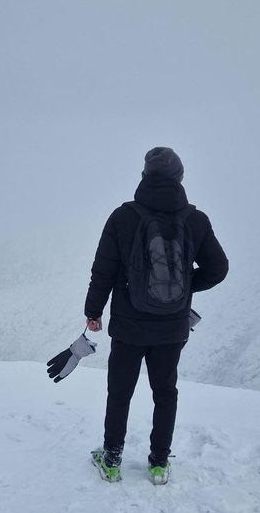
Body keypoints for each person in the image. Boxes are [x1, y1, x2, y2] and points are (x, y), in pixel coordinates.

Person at [84, 146, 228, 482]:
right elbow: (218, 269)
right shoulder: (195, 220)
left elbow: (103, 271)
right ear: (180, 178)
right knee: (165, 392)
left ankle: (112, 460)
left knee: (120, 392)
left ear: (144, 176)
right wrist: (186, 287)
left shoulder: (123, 217)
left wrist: (93, 311)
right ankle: (159, 462)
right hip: (172, 326)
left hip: (129, 325)